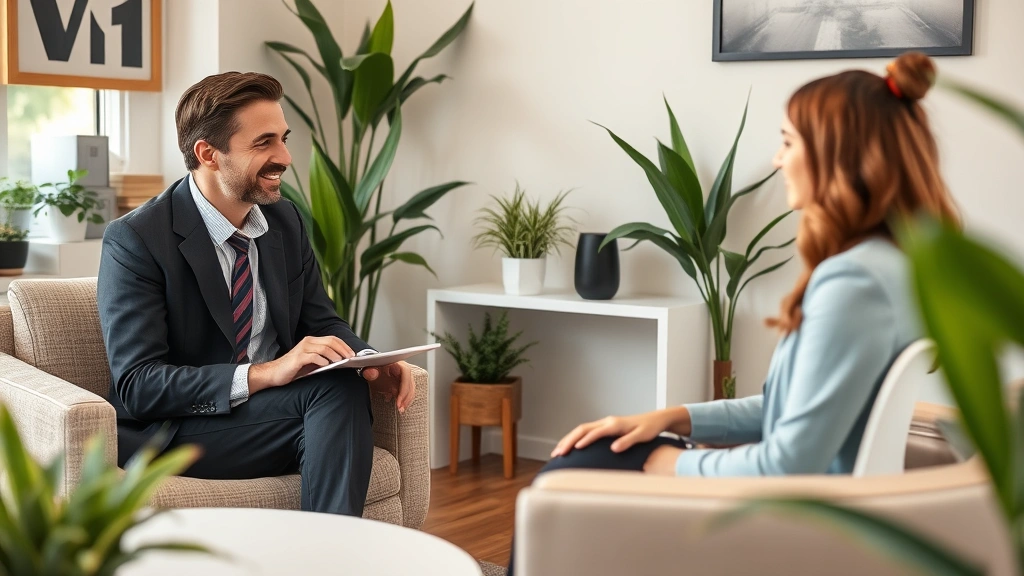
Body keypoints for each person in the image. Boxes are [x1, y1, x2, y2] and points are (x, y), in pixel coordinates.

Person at [506, 51, 959, 573]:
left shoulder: (853, 284)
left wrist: (669, 462)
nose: (776, 159)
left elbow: (790, 464)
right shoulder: (899, 263)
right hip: (821, 504)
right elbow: (787, 411)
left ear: (840, 156)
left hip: (793, 521)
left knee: (561, 478)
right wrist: (674, 417)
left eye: (788, 142)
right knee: (594, 452)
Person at [97, 72, 416, 516]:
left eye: (283, 139)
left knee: (342, 385)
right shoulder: (137, 239)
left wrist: (370, 361)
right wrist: (265, 373)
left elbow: (320, 321)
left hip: (264, 418)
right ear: (208, 154)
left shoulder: (285, 221)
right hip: (178, 430)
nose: (284, 157)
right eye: (264, 142)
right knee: (331, 396)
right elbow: (139, 385)